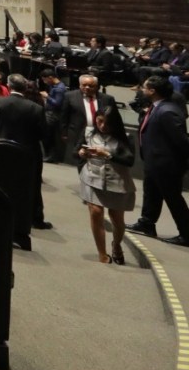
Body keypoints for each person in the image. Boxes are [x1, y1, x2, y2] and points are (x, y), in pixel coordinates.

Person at [127, 77, 189, 245]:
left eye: (144, 88)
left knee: (173, 199)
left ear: (153, 91)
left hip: (166, 165)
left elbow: (182, 141)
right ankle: (147, 223)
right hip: (154, 161)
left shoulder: (168, 111)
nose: (141, 90)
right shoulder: (157, 107)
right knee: (151, 194)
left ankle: (187, 233)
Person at [0, 74, 51, 229]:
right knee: (32, 186)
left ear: (9, 86)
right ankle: (35, 219)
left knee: (1, 181)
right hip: (28, 152)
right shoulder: (36, 108)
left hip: (1, 148)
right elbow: (43, 134)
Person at [77, 104, 135, 264]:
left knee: (116, 219)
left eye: (107, 123)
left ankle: (116, 245)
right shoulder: (88, 132)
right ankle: (102, 254)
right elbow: (78, 149)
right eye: (99, 121)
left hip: (117, 182)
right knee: (95, 212)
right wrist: (81, 153)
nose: (102, 126)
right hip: (92, 179)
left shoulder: (126, 137)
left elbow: (129, 161)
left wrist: (107, 154)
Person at [60, 74, 116, 166]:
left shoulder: (107, 99)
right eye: (84, 85)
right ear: (79, 85)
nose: (87, 87)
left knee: (98, 159)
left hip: (100, 133)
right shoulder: (70, 96)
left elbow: (113, 117)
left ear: (97, 86)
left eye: (91, 86)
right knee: (81, 158)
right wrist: (64, 132)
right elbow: (64, 116)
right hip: (78, 132)